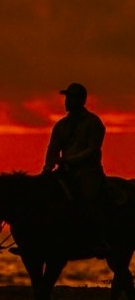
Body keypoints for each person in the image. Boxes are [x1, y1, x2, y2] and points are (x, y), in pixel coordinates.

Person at [42, 83, 108, 256]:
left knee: (88, 199)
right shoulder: (61, 125)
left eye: (70, 97)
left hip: (88, 172)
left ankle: (100, 240)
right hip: (66, 172)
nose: (66, 101)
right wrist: (48, 167)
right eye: (66, 97)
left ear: (81, 100)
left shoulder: (94, 123)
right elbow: (52, 149)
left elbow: (92, 150)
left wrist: (68, 159)